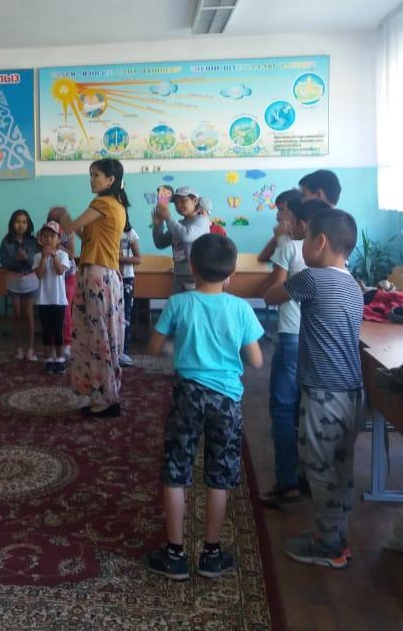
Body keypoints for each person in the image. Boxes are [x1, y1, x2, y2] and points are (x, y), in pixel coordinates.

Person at [143, 234, 264, 580]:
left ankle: (174, 554)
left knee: (176, 471)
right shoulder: (241, 309)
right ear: (232, 274)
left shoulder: (178, 303)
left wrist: (176, 349)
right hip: (227, 400)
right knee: (219, 475)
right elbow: (256, 360)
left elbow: (153, 348)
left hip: (188, 396)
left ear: (192, 268)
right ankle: (211, 554)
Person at [265, 208, 363, 569]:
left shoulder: (312, 278)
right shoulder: (354, 286)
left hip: (323, 393)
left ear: (319, 242)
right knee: (340, 467)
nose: (301, 244)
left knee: (318, 467)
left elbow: (272, 296)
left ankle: (328, 546)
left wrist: (282, 246)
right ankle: (336, 535)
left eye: (304, 238)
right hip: (352, 392)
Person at [55, 158, 128, 417]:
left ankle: (106, 397)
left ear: (111, 179)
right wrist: (69, 222)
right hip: (102, 274)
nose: (92, 179)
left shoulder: (103, 203)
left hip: (98, 275)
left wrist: (62, 215)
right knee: (98, 335)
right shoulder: (115, 205)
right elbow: (85, 236)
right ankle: (101, 393)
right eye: (91, 174)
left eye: (96, 175)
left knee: (98, 337)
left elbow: (69, 228)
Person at [257, 190, 309, 507]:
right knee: (306, 409)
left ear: (298, 220)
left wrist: (274, 290)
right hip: (314, 338)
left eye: (284, 213)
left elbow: (273, 291)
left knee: (283, 409)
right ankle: (308, 476)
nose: (279, 217)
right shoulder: (328, 251)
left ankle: (287, 482)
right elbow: (263, 256)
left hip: (291, 334)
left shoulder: (291, 247)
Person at [0, 209, 40, 361]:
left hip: (30, 280)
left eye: (24, 222)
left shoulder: (33, 241)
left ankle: (30, 349)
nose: (21, 225)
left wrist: (26, 258)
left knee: (28, 314)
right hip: (14, 280)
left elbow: (35, 261)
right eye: (17, 222)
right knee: (16, 314)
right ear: (12, 224)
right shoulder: (6, 241)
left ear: (28, 224)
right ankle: (18, 349)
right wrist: (17, 259)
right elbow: (4, 263)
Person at [152, 187, 209, 293]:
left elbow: (185, 235)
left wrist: (168, 218)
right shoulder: (179, 224)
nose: (179, 205)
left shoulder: (202, 220)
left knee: (191, 303)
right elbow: (160, 243)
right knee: (178, 303)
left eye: (183, 201)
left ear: (195, 201)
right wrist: (158, 225)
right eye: (176, 203)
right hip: (179, 274)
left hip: (196, 276)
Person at [33, 221, 71, 374]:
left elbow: (60, 271)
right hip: (43, 300)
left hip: (58, 300)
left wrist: (54, 255)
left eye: (52, 236)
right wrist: (44, 257)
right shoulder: (37, 256)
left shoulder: (63, 255)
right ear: (40, 239)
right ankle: (49, 359)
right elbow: (39, 274)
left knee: (57, 330)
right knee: (46, 331)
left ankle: (60, 360)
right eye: (45, 236)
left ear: (58, 239)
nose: (48, 239)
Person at [48, 206, 77, 360]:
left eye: (58, 220)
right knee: (52, 309)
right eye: (52, 220)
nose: (55, 223)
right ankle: (54, 344)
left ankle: (67, 343)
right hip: (52, 276)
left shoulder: (69, 234)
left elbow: (72, 254)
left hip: (68, 275)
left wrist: (59, 247)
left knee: (65, 310)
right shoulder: (47, 233)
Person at [118, 218, 142, 366]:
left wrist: (120, 258)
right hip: (109, 276)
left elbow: (138, 259)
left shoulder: (129, 233)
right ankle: (111, 351)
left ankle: (124, 351)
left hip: (126, 277)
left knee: (125, 314)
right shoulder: (106, 230)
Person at [257, 189, 302, 264]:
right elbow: (263, 258)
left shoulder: (304, 238)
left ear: (296, 213)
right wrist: (278, 236)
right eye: (278, 210)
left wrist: (281, 238)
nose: (277, 214)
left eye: (281, 210)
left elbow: (287, 264)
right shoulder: (284, 233)